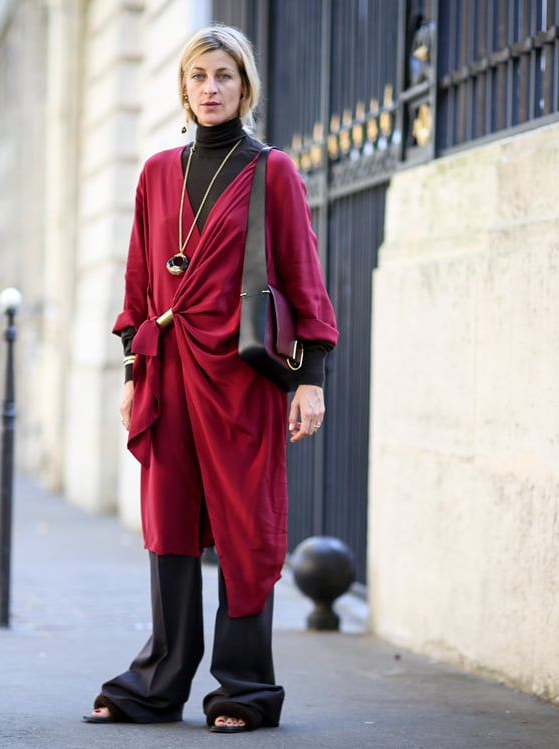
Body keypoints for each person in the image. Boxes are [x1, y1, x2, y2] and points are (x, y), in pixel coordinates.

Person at [83, 24, 339, 734]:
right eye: (198, 76)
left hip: (241, 378)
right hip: (168, 370)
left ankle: (244, 689)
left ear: (244, 86)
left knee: (244, 528)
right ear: (184, 88)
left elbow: (303, 277)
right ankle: (158, 680)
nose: (210, 88)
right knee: (168, 523)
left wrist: (310, 378)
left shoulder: (272, 171)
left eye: (224, 75)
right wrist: (134, 371)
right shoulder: (156, 172)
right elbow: (139, 281)